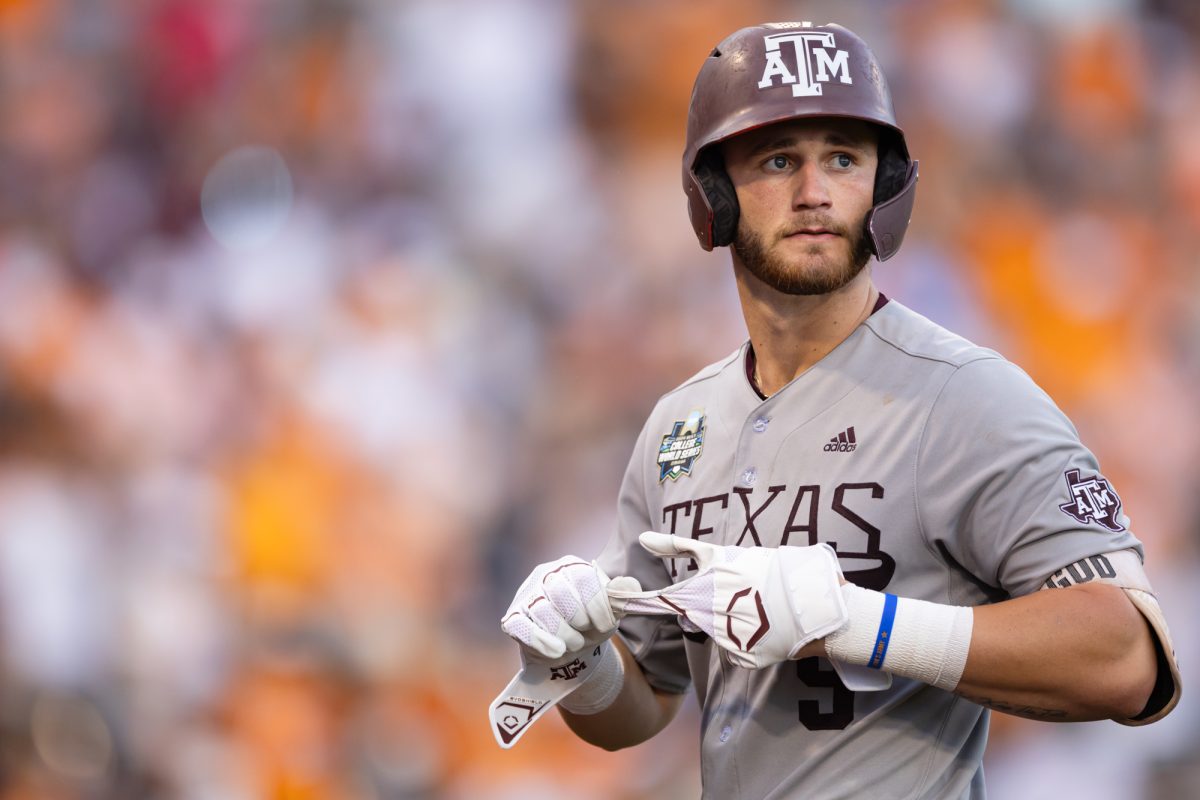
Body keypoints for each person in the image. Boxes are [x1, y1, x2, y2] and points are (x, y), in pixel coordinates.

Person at [494, 21, 1181, 798]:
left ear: (884, 189)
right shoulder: (678, 429)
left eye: (844, 159)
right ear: (712, 193)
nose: (814, 192)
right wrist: (579, 662)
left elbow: (1129, 658)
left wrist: (862, 624)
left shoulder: (963, 394)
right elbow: (645, 705)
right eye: (779, 159)